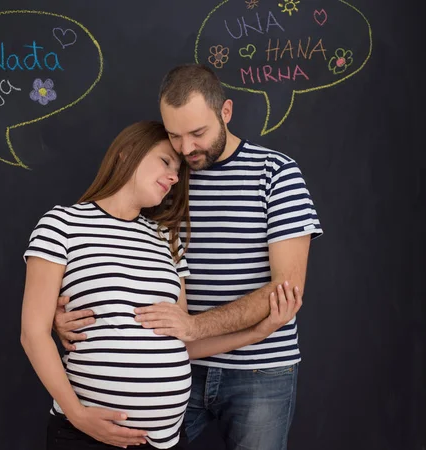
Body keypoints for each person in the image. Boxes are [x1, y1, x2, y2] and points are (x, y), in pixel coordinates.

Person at [53, 64, 323, 450]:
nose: (186, 149)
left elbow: (285, 290)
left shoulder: (276, 174)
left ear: (225, 112)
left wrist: (194, 328)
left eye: (198, 133)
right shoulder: (163, 174)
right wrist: (68, 314)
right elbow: (113, 249)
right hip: (174, 365)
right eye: (174, 135)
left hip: (259, 369)